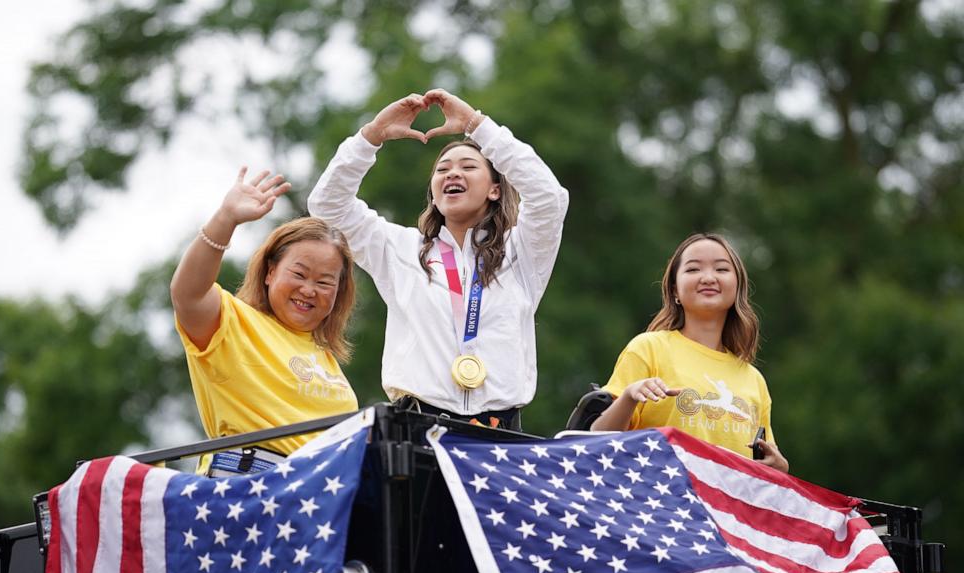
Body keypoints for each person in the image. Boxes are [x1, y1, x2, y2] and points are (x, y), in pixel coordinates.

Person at [307, 88, 569, 430]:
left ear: (495, 190)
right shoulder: (399, 249)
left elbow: (548, 196)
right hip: (417, 430)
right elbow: (327, 206)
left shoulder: (522, 251)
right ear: (433, 191)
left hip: (500, 435)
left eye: (468, 166)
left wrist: (477, 125)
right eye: (442, 169)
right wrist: (372, 136)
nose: (452, 173)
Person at [171, 167, 359, 475]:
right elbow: (187, 294)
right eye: (299, 274)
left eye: (325, 282)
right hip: (250, 483)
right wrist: (225, 219)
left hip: (319, 498)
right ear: (270, 272)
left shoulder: (327, 359)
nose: (309, 289)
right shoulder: (232, 322)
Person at [591, 232, 789, 473]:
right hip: (659, 503)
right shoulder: (648, 348)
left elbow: (764, 467)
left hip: (721, 509)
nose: (708, 277)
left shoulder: (754, 379)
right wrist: (629, 396)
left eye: (721, 269)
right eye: (693, 269)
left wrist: (780, 468)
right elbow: (596, 440)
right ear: (675, 290)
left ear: (737, 287)